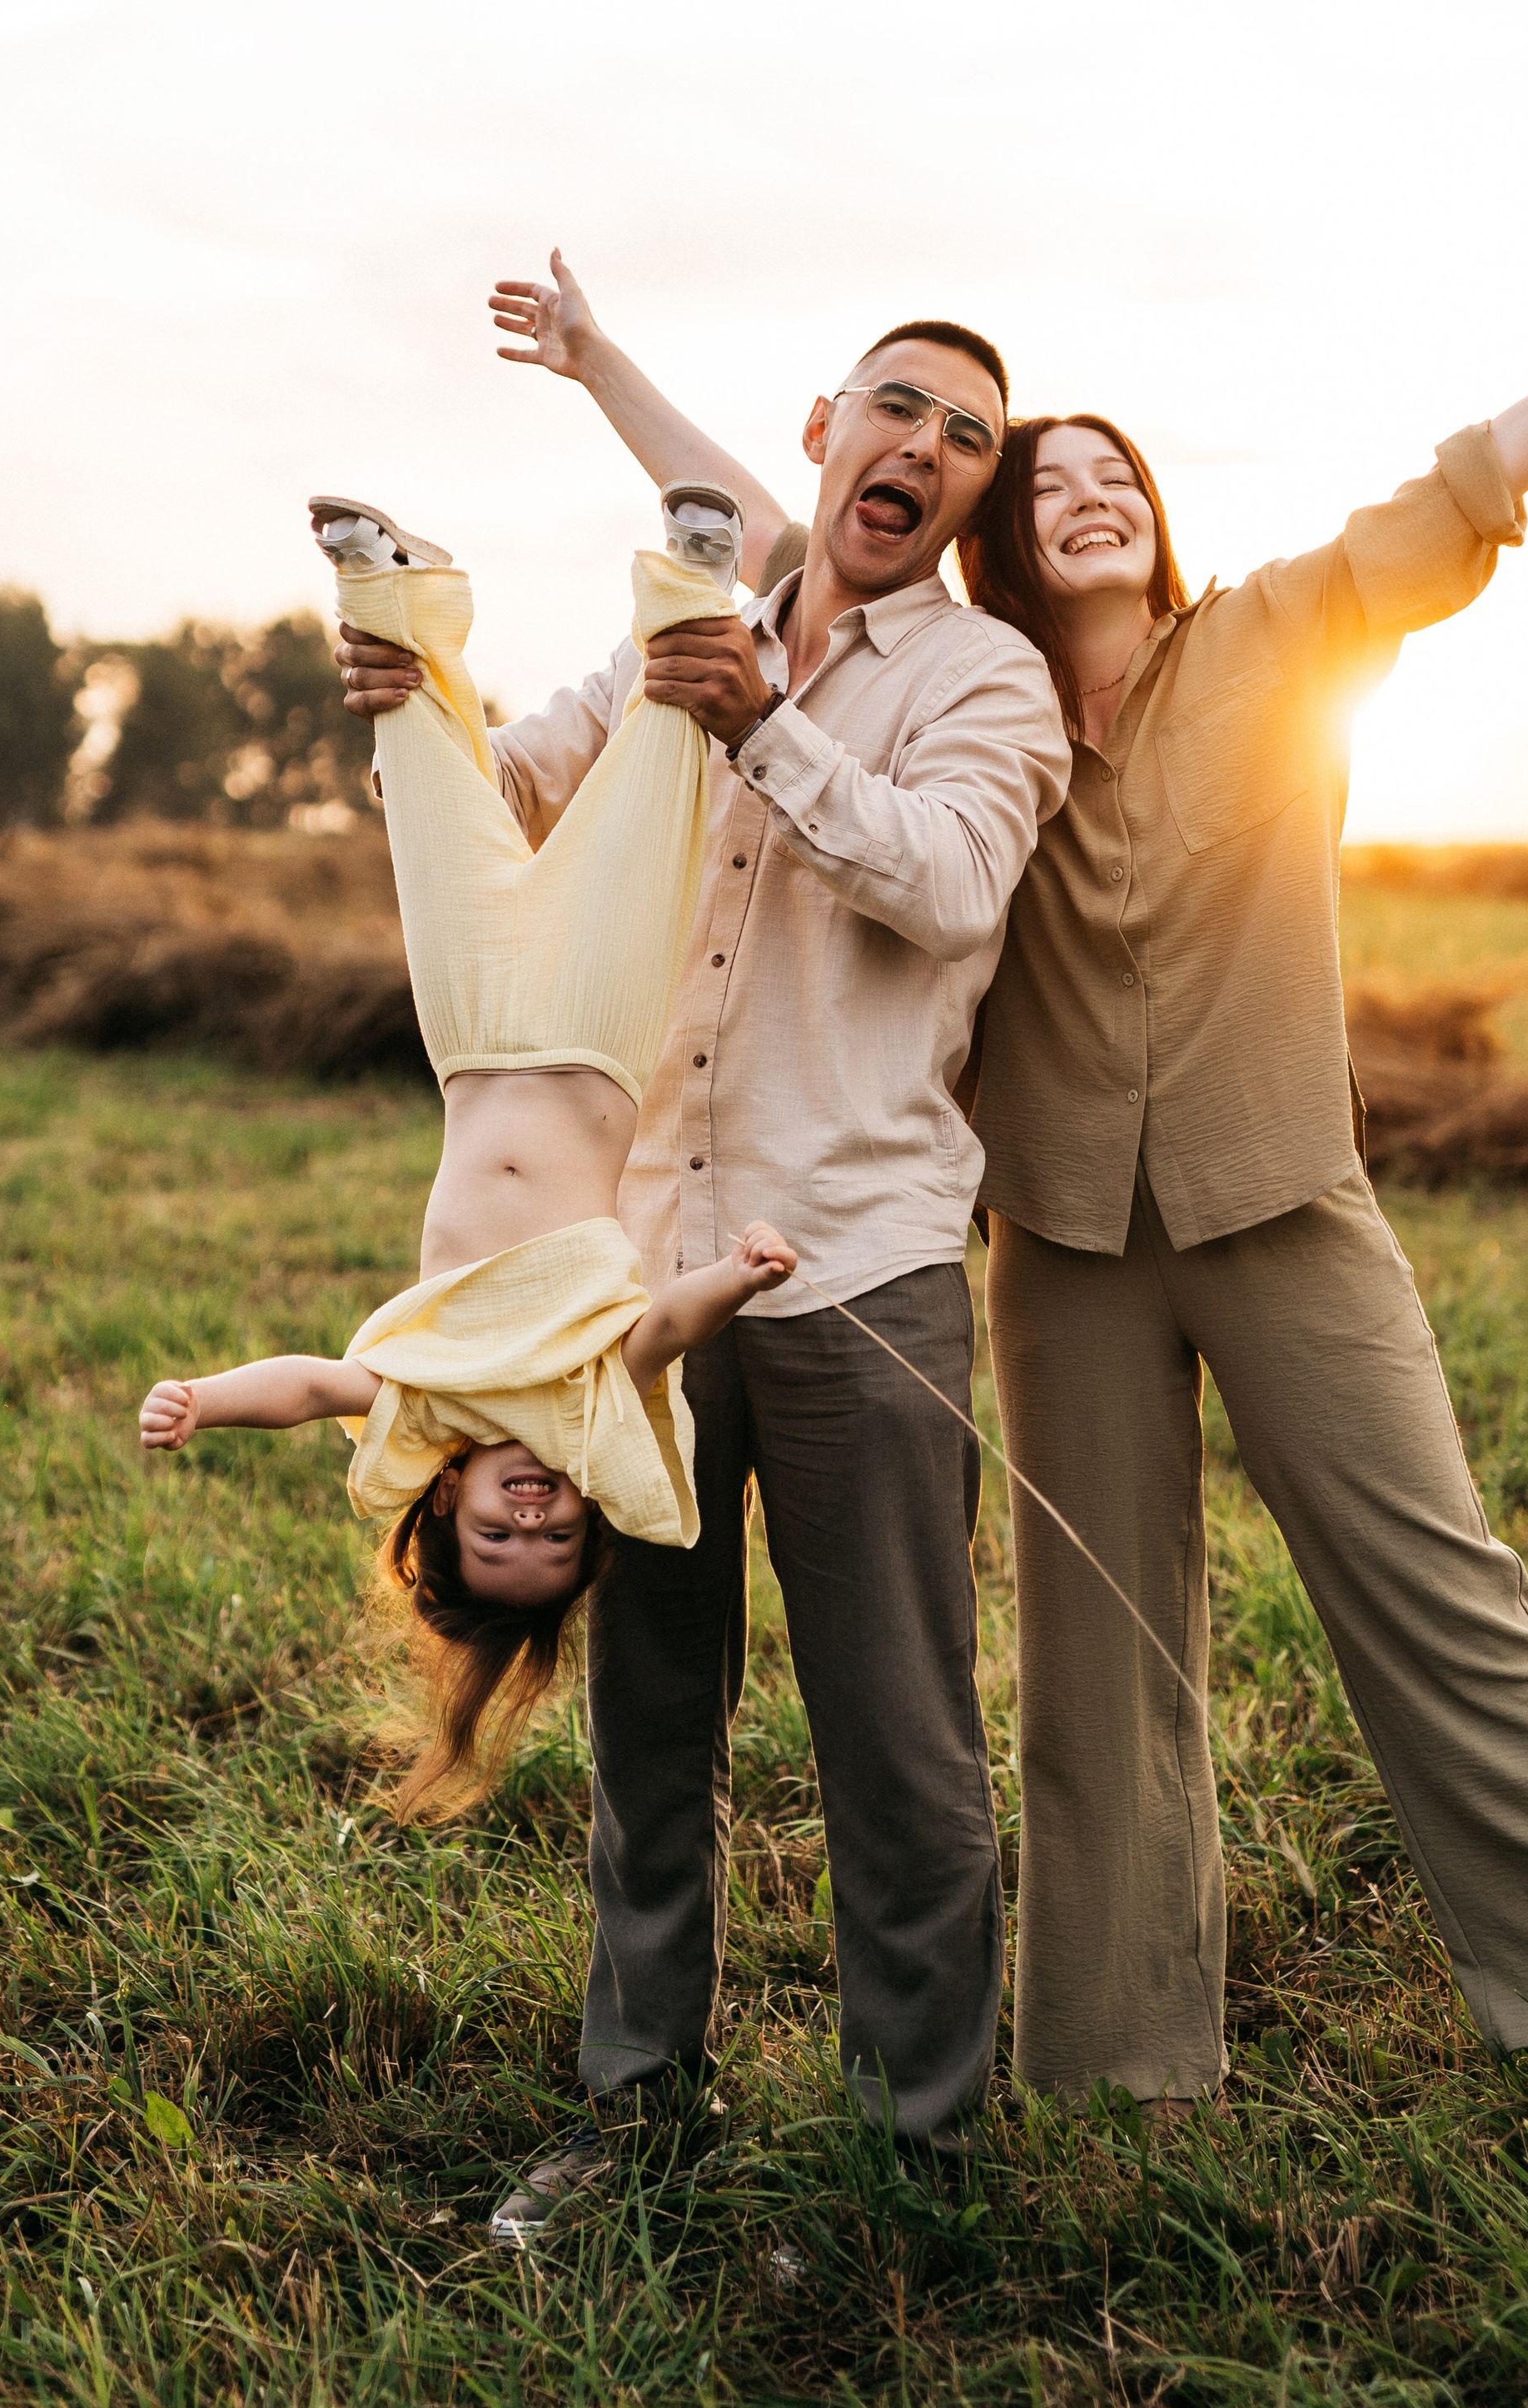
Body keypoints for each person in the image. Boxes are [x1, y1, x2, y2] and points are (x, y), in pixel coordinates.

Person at [499, 243, 1528, 2181]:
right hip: (1059, 1237)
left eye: (1096, 471)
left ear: (1151, 512)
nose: (1077, 496)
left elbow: (1476, 477)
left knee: (1439, 1596)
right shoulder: (956, 670)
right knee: (1096, 1655)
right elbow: (785, 515)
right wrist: (597, 363)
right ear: (995, 540)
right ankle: (1123, 2073)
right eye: (1035, 485)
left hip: (1277, 1195)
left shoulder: (1267, 638)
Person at [335, 310, 1070, 2231]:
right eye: (894, 406)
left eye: (968, 438)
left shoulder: (990, 682)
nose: (921, 444)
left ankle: (919, 2148)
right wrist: (413, 702)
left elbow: (945, 882)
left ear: (972, 494)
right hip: (626, 1281)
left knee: (892, 1730)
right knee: (649, 1718)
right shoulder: (686, 627)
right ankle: (634, 2110)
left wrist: (765, 719)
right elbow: (520, 808)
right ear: (822, 434)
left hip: (856, 1266)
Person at [141, 483, 798, 1818]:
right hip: (599, 1032)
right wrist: (741, 1275)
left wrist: (207, 1397)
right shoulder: (586, 1406)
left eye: (502, 1535)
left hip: (474, 1032)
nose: (536, 1516)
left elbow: (314, 1385)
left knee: (426, 814)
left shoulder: (425, 1403)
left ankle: (396, 594)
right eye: (554, 1538)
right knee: (651, 788)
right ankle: (693, 579)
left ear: (444, 1509)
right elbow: (668, 1324)